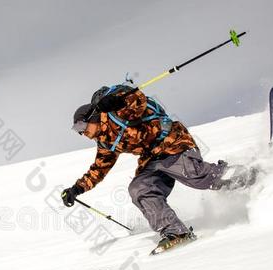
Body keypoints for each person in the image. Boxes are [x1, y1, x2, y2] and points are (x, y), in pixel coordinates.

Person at [61, 85, 256, 254]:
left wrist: (116, 102)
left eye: (81, 126)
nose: (82, 133)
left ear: (92, 117)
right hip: (151, 159)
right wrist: (77, 189)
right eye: (77, 131)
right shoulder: (105, 142)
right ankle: (176, 232)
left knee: (197, 177)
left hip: (172, 144)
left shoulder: (116, 113)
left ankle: (247, 176)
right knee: (140, 189)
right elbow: (98, 169)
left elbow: (138, 100)